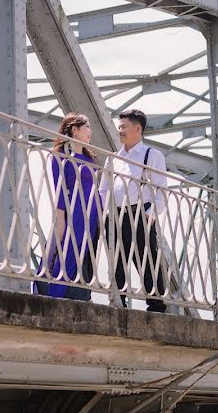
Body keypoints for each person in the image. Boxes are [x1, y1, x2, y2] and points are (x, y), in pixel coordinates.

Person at [99, 109, 169, 313]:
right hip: (116, 213)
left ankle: (156, 305)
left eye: (123, 126)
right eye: (119, 126)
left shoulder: (152, 155)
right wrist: (104, 213)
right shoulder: (114, 158)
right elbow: (103, 189)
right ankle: (118, 301)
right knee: (118, 259)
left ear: (137, 128)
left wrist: (152, 215)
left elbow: (161, 189)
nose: (119, 130)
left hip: (141, 213)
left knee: (147, 258)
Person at [36, 113, 101, 301]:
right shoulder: (59, 157)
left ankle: (82, 292)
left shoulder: (91, 159)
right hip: (76, 211)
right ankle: (54, 291)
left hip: (93, 213)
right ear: (75, 130)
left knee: (86, 252)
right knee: (68, 248)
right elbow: (60, 188)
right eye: (87, 127)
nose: (90, 131)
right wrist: (60, 217)